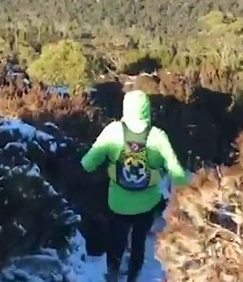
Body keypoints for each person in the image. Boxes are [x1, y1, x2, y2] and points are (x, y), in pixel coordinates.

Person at [80, 90, 190, 282]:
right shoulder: (157, 136)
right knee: (139, 241)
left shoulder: (113, 131)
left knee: (117, 238)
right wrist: (190, 189)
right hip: (147, 202)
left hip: (118, 201)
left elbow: (88, 163)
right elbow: (176, 171)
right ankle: (133, 276)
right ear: (148, 109)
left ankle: (113, 272)